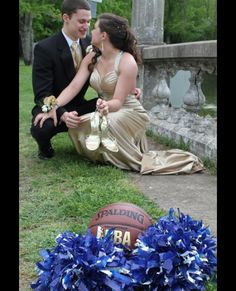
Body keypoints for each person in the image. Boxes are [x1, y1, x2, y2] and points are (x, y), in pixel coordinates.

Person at [44, 13, 204, 175]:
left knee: (102, 124)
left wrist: (106, 105)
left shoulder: (127, 61)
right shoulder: (92, 57)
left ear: (103, 35)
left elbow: (118, 102)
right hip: (104, 109)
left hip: (127, 110)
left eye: (94, 28)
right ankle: (104, 155)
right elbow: (73, 87)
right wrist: (54, 105)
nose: (90, 31)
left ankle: (121, 157)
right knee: (76, 124)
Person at [30, 0, 141, 160]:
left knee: (107, 108)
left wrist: (130, 89)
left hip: (81, 105)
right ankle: (45, 149)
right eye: (82, 21)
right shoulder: (45, 48)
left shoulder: (94, 43)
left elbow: (116, 66)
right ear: (66, 18)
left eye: (89, 22)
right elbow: (42, 93)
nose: (87, 26)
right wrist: (58, 111)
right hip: (56, 103)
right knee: (41, 125)